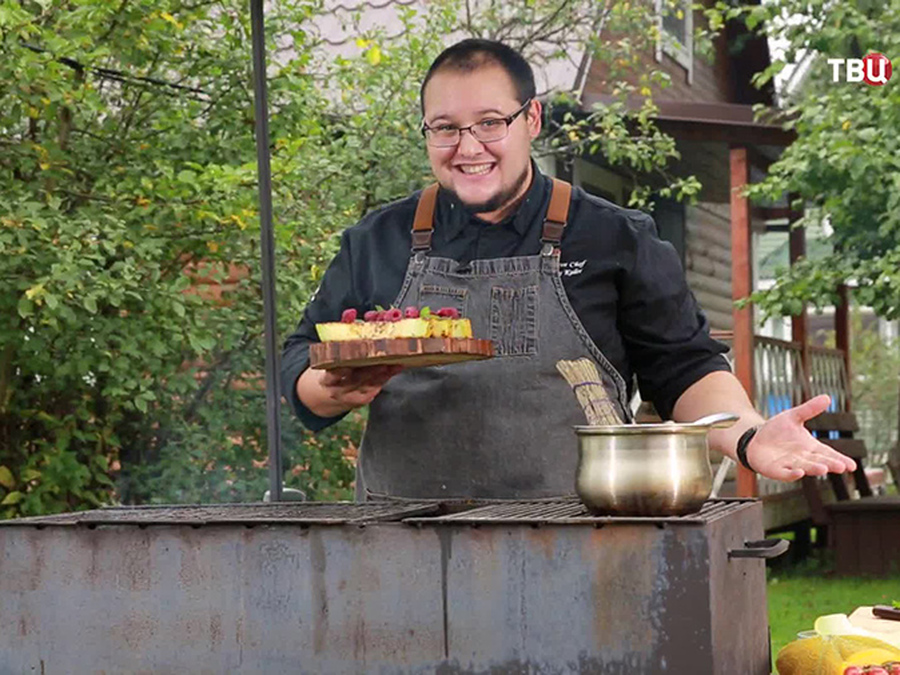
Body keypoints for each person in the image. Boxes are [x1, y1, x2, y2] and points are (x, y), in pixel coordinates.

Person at [281, 38, 856, 501]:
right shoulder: (379, 239)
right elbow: (301, 361)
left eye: (489, 122)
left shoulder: (613, 236)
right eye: (445, 127)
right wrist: (328, 389)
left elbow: (683, 369)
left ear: (531, 118)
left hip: (573, 546)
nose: (468, 146)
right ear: (427, 132)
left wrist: (749, 436)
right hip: (400, 548)